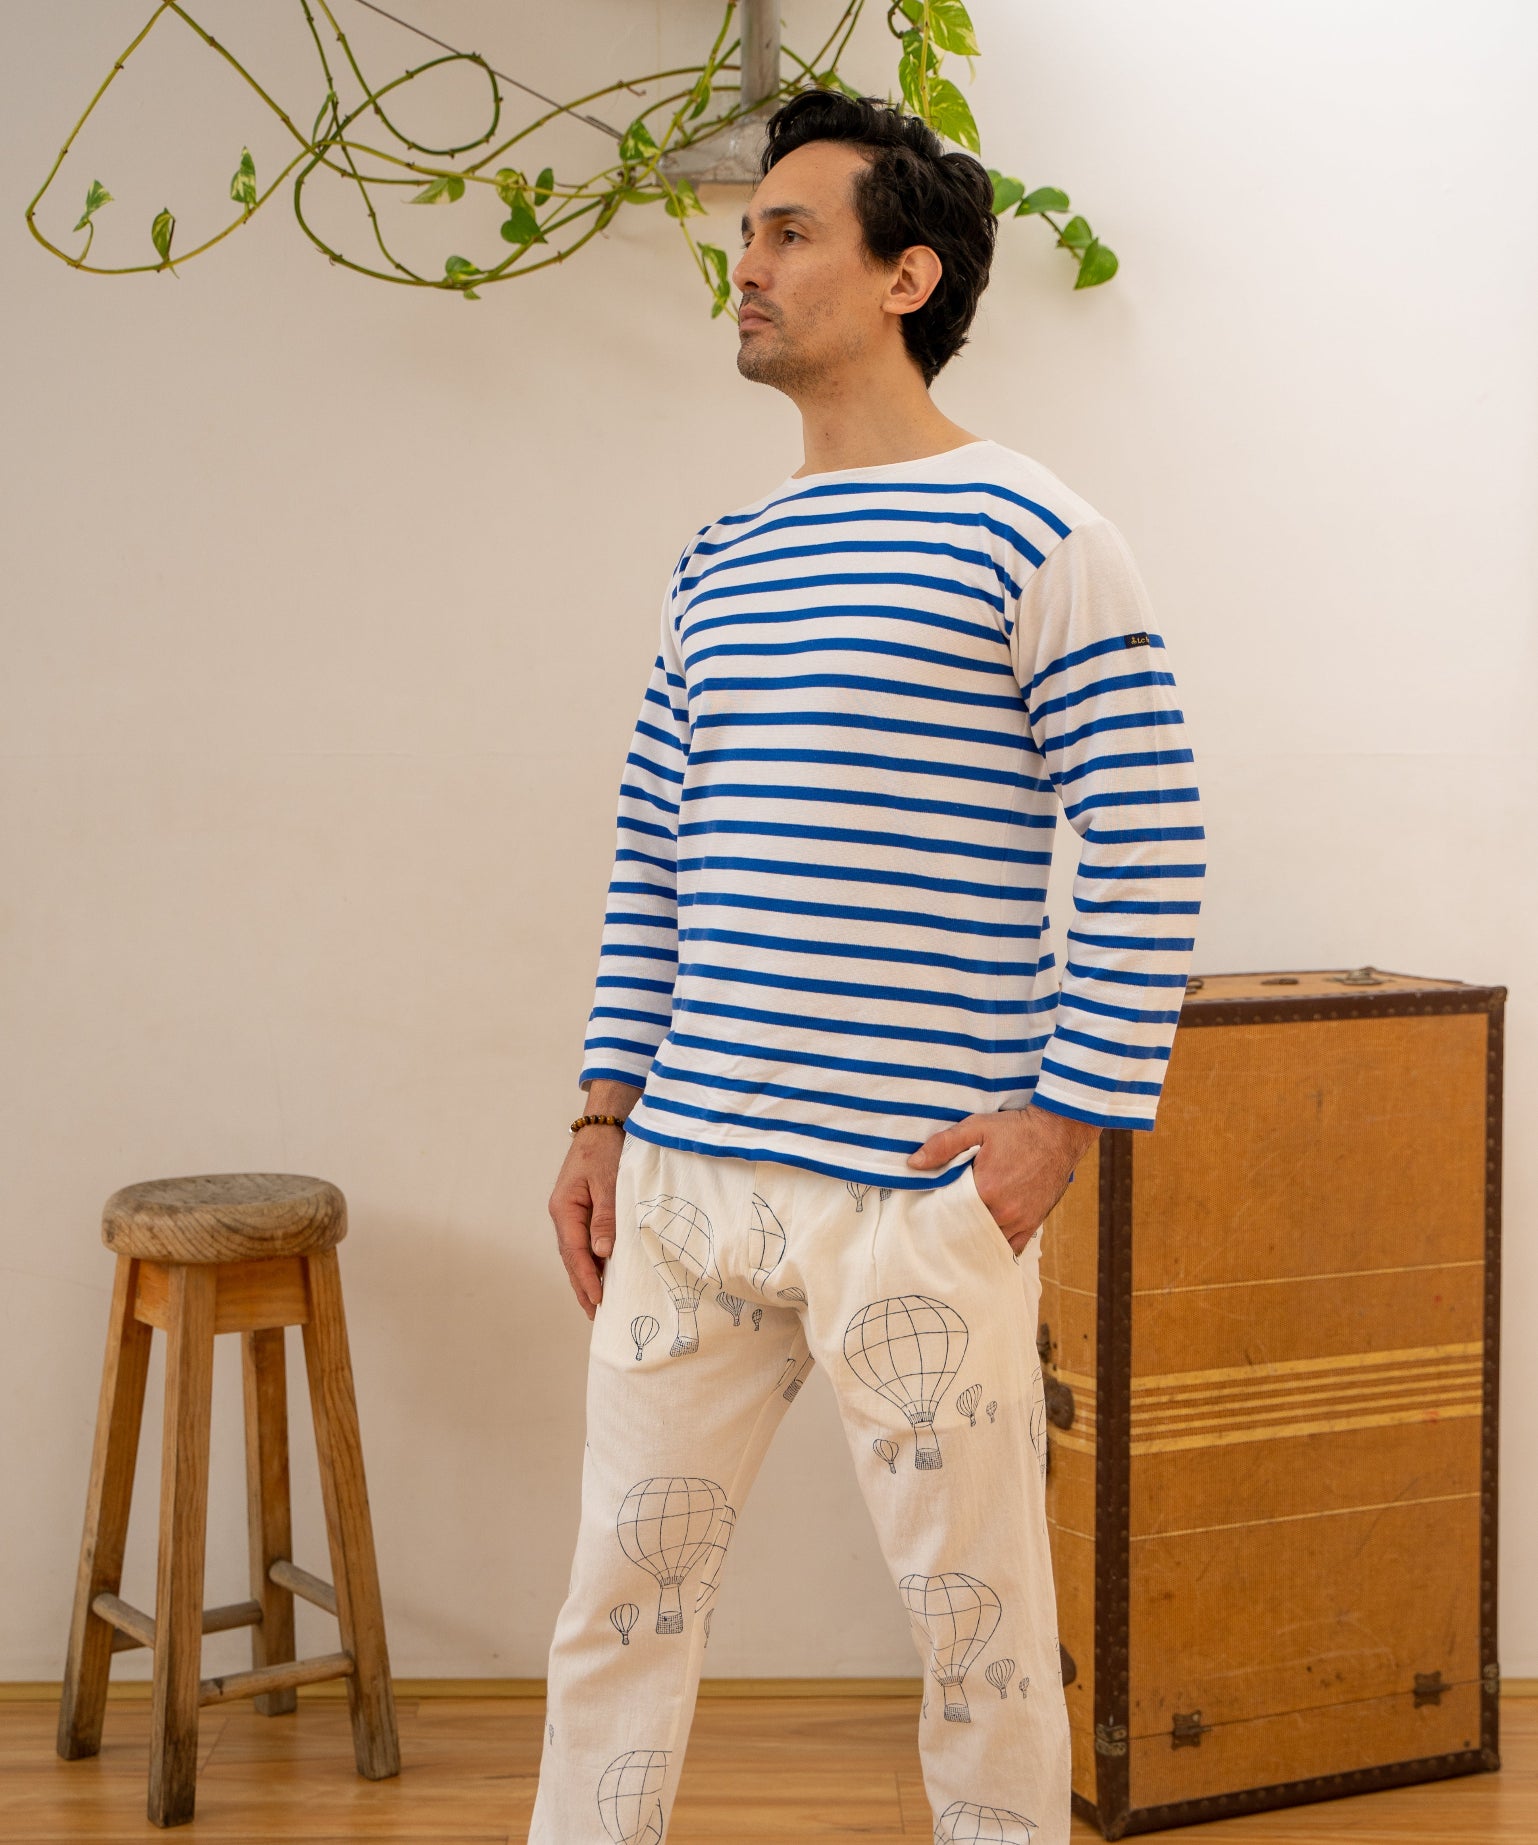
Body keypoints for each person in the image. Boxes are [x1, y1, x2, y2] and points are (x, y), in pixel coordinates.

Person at [530, 87, 1205, 1845]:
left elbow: (1147, 841)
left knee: (975, 1637)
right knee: (613, 1606)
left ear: (908, 276)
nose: (744, 263)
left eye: (788, 231)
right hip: (687, 1177)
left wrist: (1061, 1121)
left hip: (912, 1189)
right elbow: (653, 854)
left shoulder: (1036, 536)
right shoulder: (718, 560)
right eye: (746, 232)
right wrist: (602, 1112)